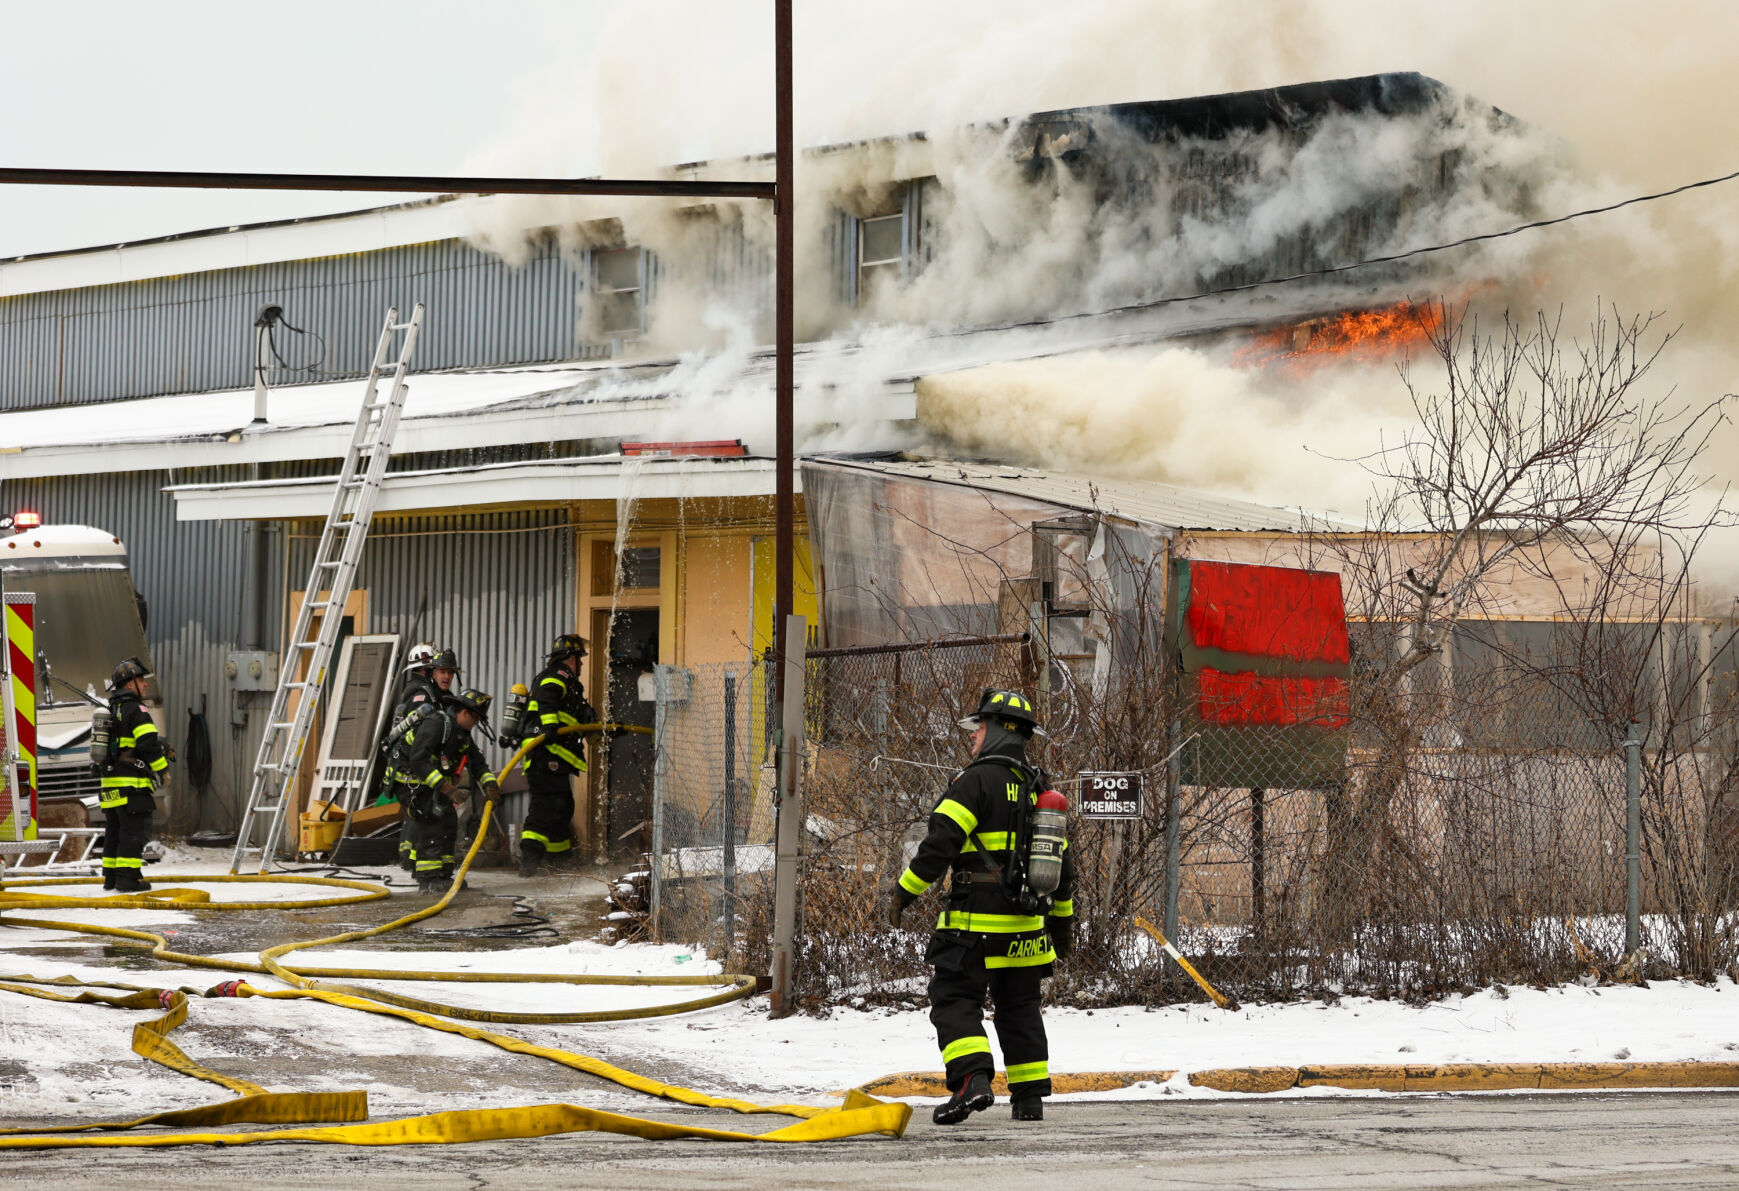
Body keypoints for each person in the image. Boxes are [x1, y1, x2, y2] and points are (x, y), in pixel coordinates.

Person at [887, 688, 1075, 1126]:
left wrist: (904, 892)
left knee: (953, 998)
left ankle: (971, 1080)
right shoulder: (1041, 791)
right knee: (1020, 1007)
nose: (972, 735)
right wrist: (1062, 926)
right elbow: (1063, 869)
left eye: (979, 727)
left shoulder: (973, 782)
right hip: (1027, 929)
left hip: (974, 925)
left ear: (997, 731)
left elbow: (940, 845)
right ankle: (1029, 1099)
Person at [389, 686, 499, 895]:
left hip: (431, 784)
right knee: (431, 823)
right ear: (465, 712)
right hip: (411, 783)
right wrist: (448, 788)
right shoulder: (436, 724)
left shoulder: (461, 735)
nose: (476, 723)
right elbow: (418, 761)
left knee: (448, 823)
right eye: (476, 718)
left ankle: (443, 875)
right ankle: (428, 879)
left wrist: (491, 786)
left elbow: (478, 764)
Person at [516, 633, 595, 877]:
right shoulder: (557, 675)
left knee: (562, 807)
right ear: (571, 658)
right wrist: (550, 727)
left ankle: (559, 860)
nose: (581, 664)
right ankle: (529, 860)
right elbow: (547, 699)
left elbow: (574, 713)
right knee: (546, 806)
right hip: (544, 751)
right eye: (579, 659)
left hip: (554, 754)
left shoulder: (569, 683)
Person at [98, 657, 172, 894]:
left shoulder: (111, 710)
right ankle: (128, 879)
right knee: (134, 833)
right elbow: (148, 744)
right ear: (130, 684)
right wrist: (162, 770)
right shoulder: (137, 710)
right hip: (132, 787)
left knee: (114, 832)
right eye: (141, 680)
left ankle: (111, 878)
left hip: (110, 787)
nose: (145, 684)